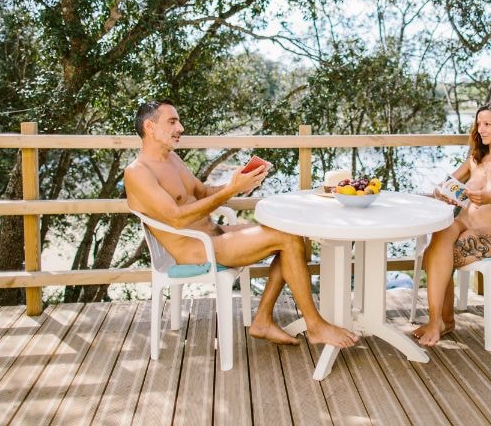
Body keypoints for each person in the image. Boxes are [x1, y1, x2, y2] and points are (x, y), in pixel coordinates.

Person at [124, 99, 358, 349]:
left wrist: (238, 184)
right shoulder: (138, 172)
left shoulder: (172, 159)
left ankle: (263, 320)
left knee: (290, 233)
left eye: (178, 121)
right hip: (195, 249)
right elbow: (176, 218)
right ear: (149, 127)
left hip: (215, 235)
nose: (180, 128)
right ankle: (315, 326)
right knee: (287, 239)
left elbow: (203, 192)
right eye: (172, 122)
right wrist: (230, 191)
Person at [413, 101, 491, 346]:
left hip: (490, 234)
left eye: (487, 124)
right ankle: (440, 321)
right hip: (462, 222)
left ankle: (440, 321)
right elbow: (447, 183)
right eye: (479, 124)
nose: (481, 129)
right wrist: (442, 192)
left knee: (437, 255)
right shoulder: (476, 157)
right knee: (439, 239)